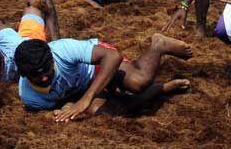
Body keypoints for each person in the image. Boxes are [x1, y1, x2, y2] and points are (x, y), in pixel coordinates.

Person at [13, 34, 192, 120]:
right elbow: (60, 103)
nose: (44, 78)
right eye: (36, 76)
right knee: (108, 112)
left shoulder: (62, 49)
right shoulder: (30, 97)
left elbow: (113, 57)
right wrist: (68, 106)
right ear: (23, 74)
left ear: (51, 58)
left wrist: (85, 99)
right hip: (82, 88)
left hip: (97, 66)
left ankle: (158, 46)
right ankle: (162, 88)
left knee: (138, 83)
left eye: (47, 70)